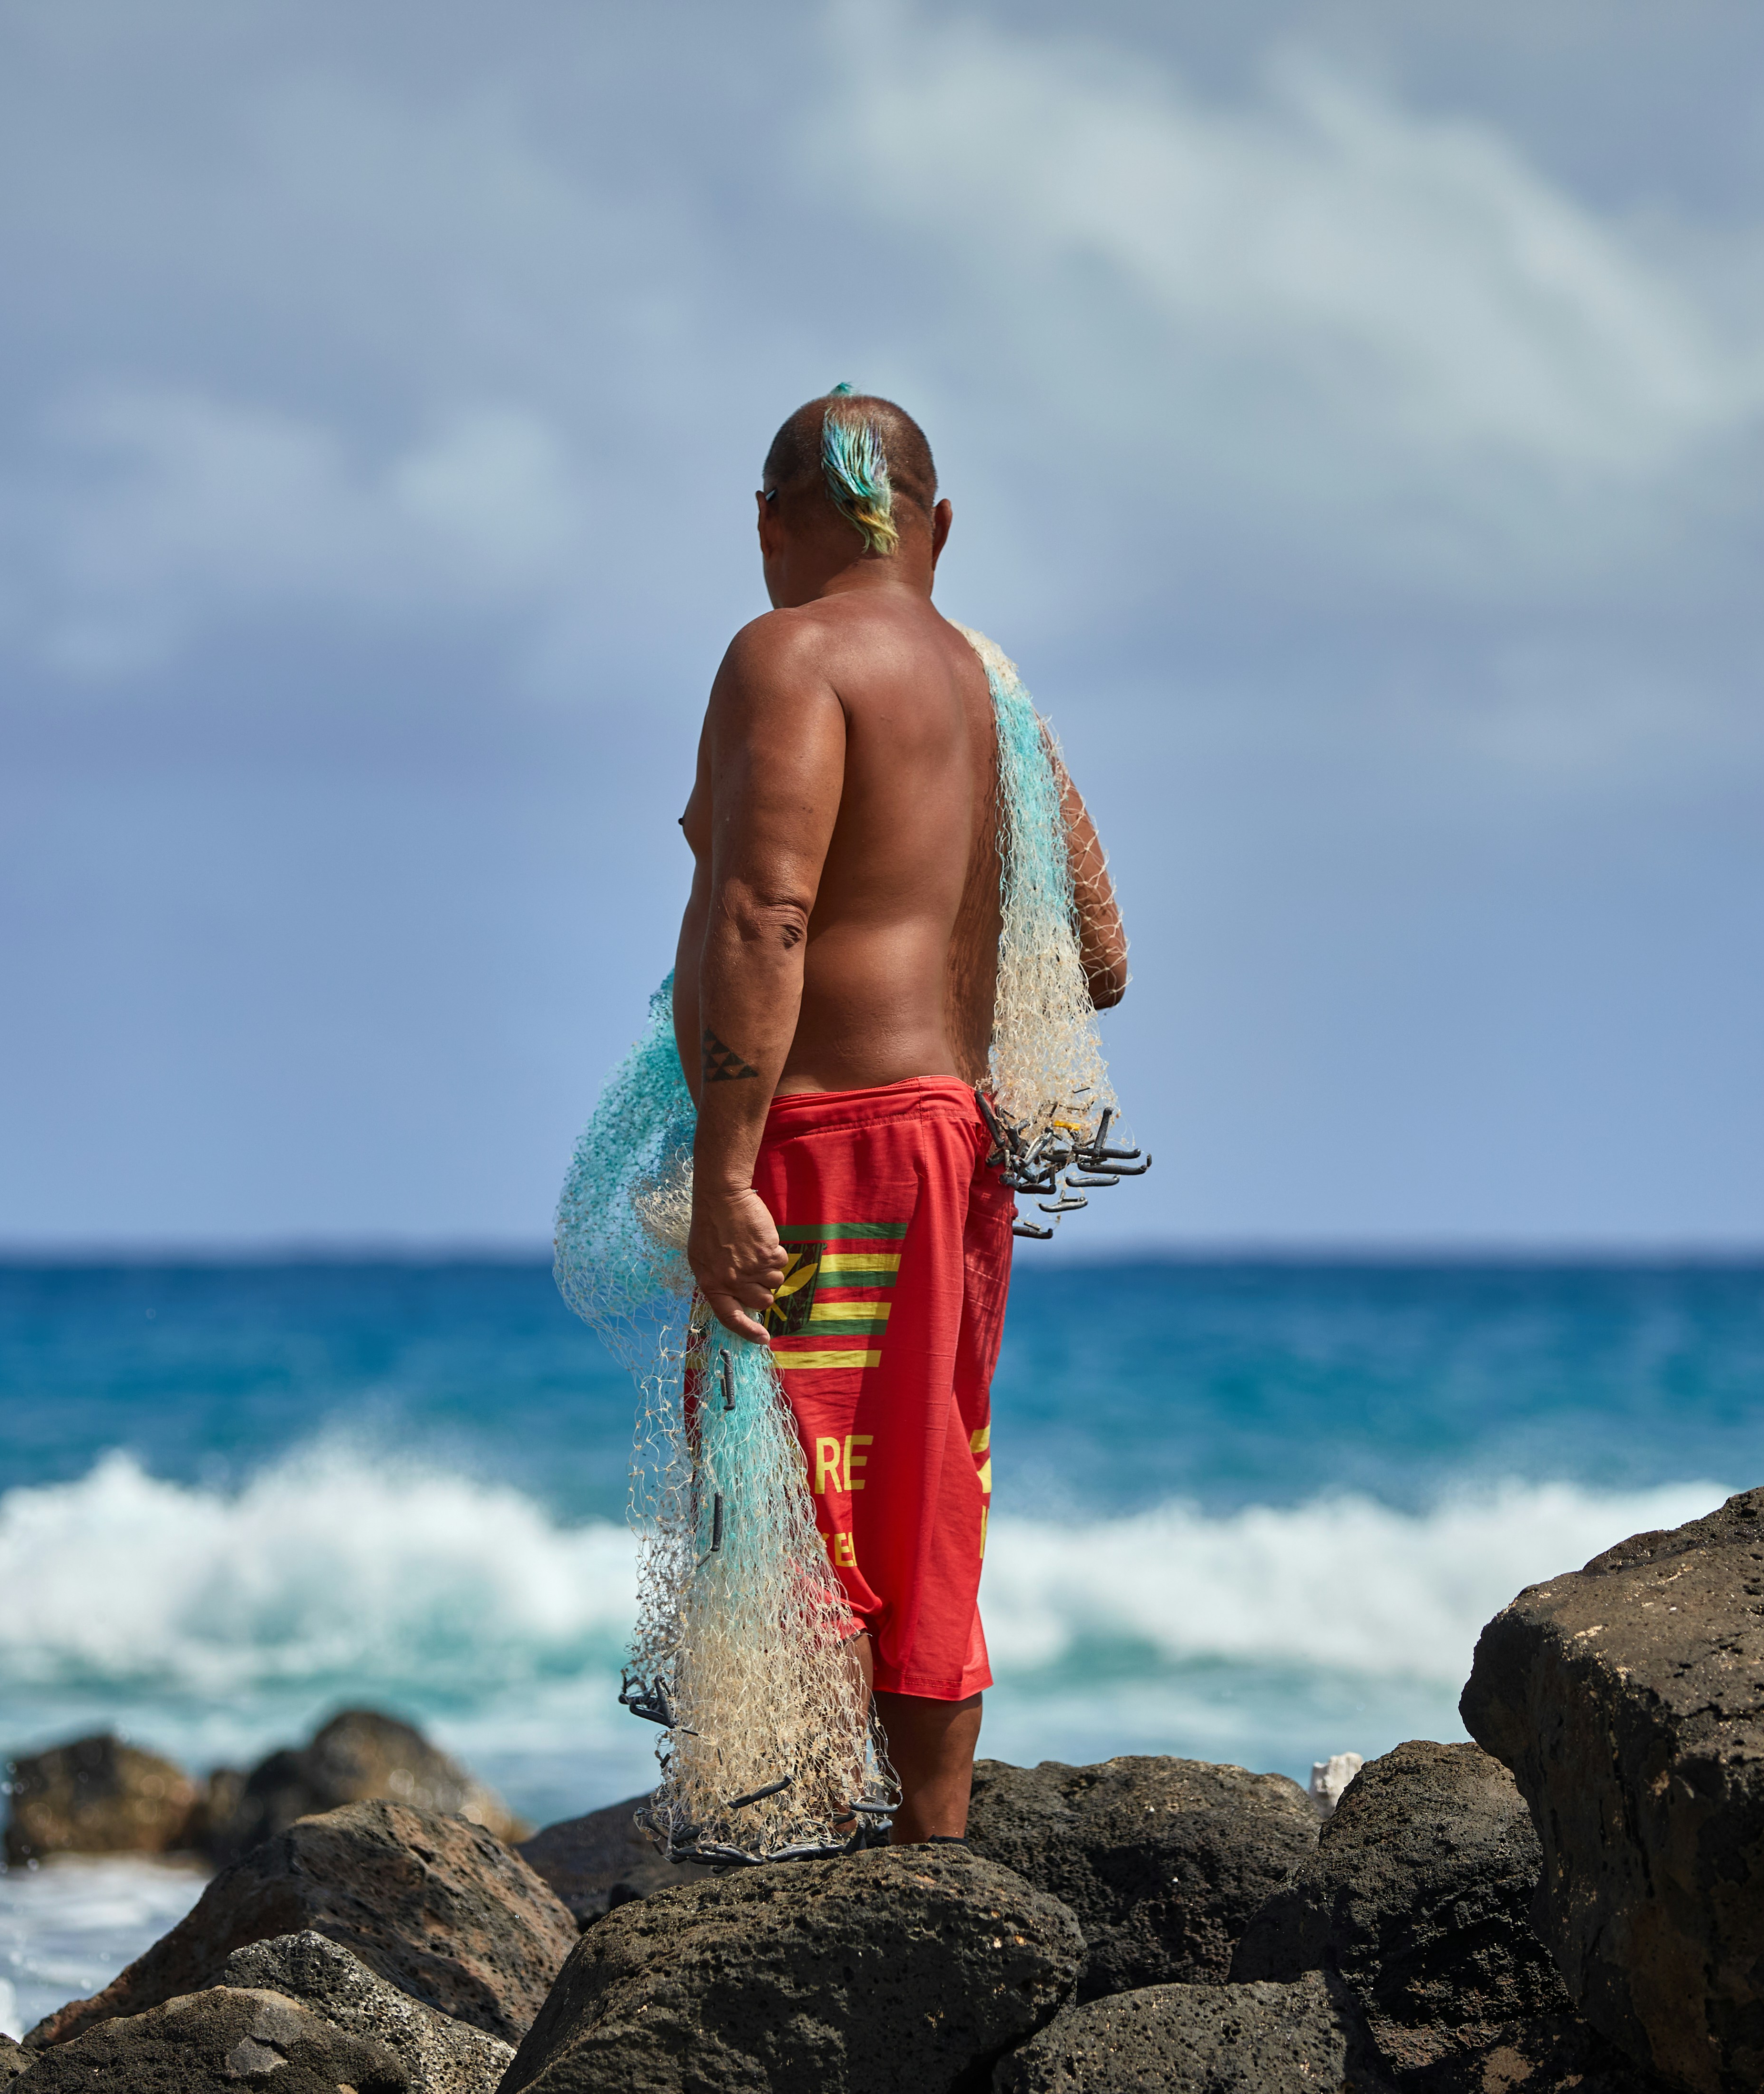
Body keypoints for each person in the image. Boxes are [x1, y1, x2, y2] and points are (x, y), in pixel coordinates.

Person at [671, 390, 1127, 1842]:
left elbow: (766, 908)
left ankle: (803, 1838)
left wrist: (724, 1170)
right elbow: (1099, 956)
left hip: (823, 1138)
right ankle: (933, 1853)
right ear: (938, 529)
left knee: (788, 1500)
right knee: (922, 1490)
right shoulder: (990, 688)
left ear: (767, 524)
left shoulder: (784, 654)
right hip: (955, 1145)